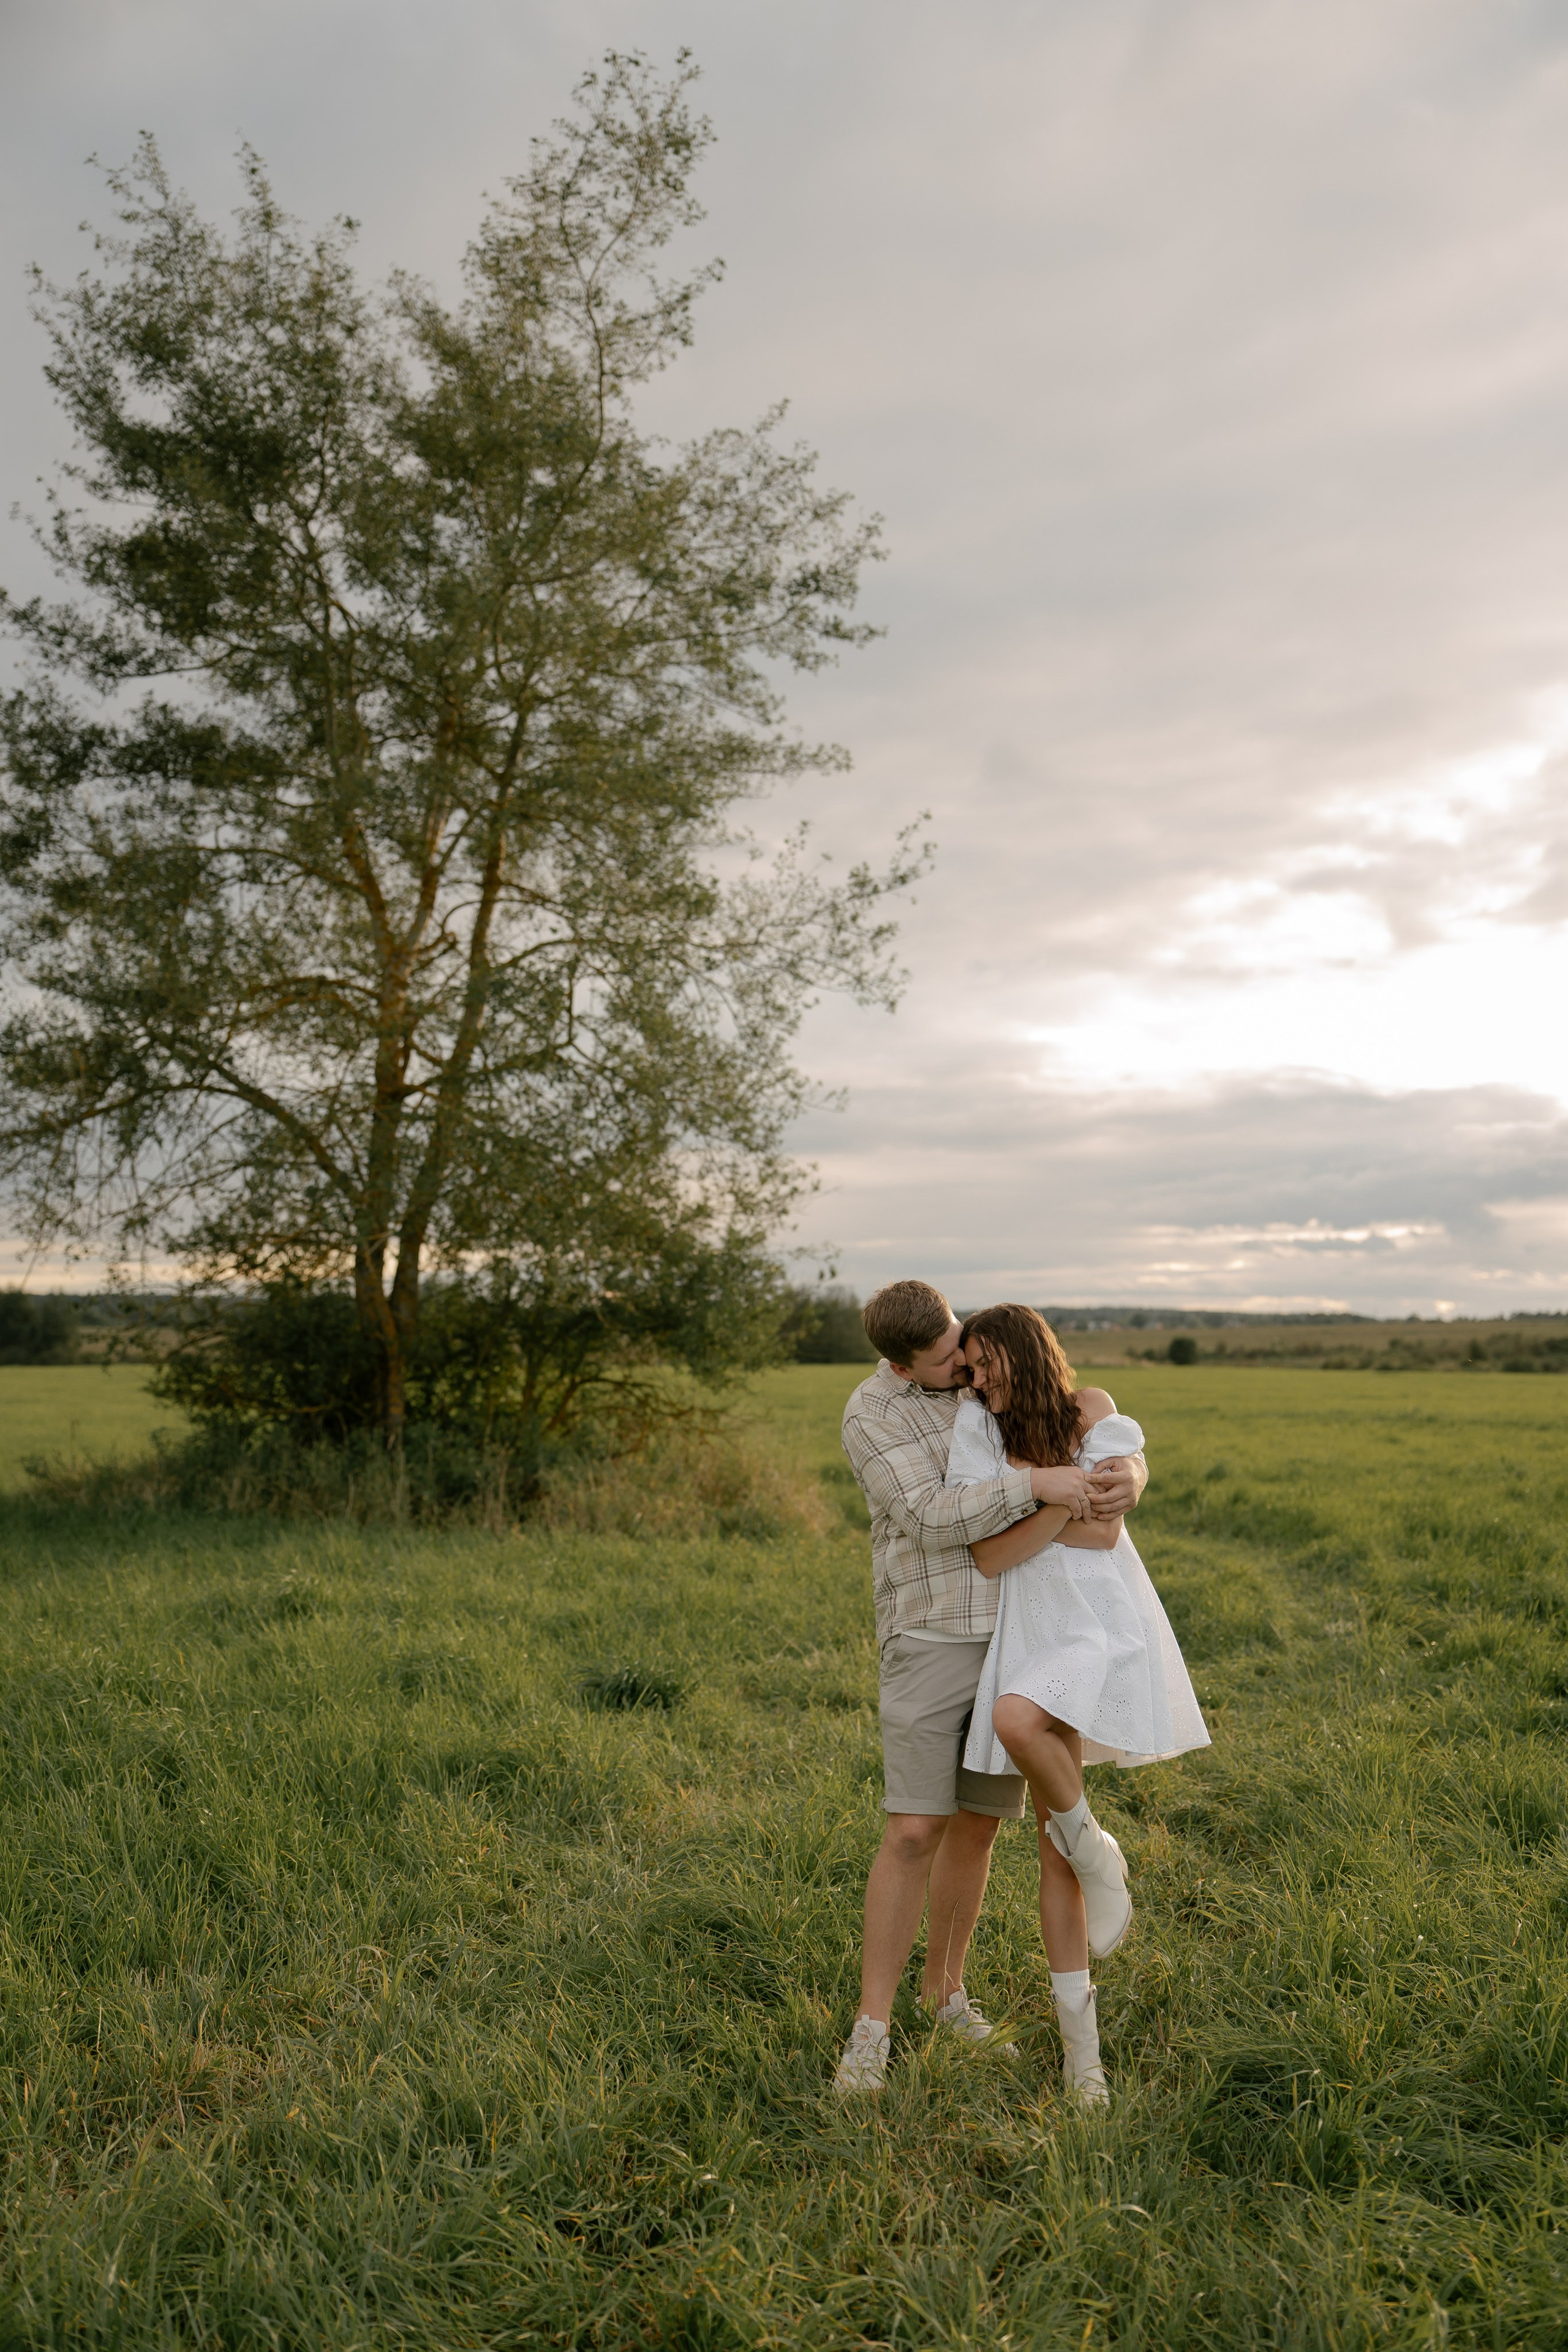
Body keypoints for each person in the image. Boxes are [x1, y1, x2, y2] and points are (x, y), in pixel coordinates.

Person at [834, 1280, 1146, 2095]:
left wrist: (1132, 1470)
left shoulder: (986, 1380)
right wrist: (1041, 1489)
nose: (965, 1369)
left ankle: (946, 1996)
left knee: (978, 1830)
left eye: (965, 1346)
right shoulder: (875, 1413)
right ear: (904, 1365)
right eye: (947, 1361)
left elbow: (1086, 1432)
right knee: (912, 1830)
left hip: (1022, 1633)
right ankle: (871, 2030)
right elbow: (933, 1517)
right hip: (934, 1629)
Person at [948, 1303, 1210, 2104]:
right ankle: (1097, 1847)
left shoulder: (1090, 1409)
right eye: (969, 1366)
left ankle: (1083, 2062)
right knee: (1019, 1728)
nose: (976, 1378)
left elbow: (1102, 1537)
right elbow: (988, 1556)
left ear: (1025, 1355)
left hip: (1097, 1622)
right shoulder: (976, 1428)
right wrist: (1065, 1497)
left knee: (1024, 1754)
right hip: (1030, 1627)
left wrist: (1035, 1504)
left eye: (986, 1363)